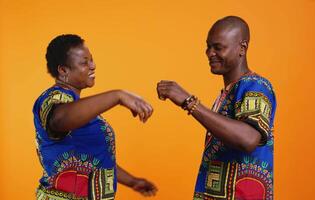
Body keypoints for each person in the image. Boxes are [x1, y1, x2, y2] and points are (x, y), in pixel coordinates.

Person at [157, 16, 276, 200]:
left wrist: (189, 102)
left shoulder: (256, 85)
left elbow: (249, 138)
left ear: (242, 49)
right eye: (208, 46)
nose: (210, 53)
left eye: (218, 47)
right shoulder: (227, 93)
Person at [33, 34, 157, 200]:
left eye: (92, 60)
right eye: (85, 62)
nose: (93, 66)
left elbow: (95, 158)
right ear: (63, 70)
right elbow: (59, 120)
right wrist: (117, 95)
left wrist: (132, 181)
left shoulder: (82, 108)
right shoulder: (53, 99)